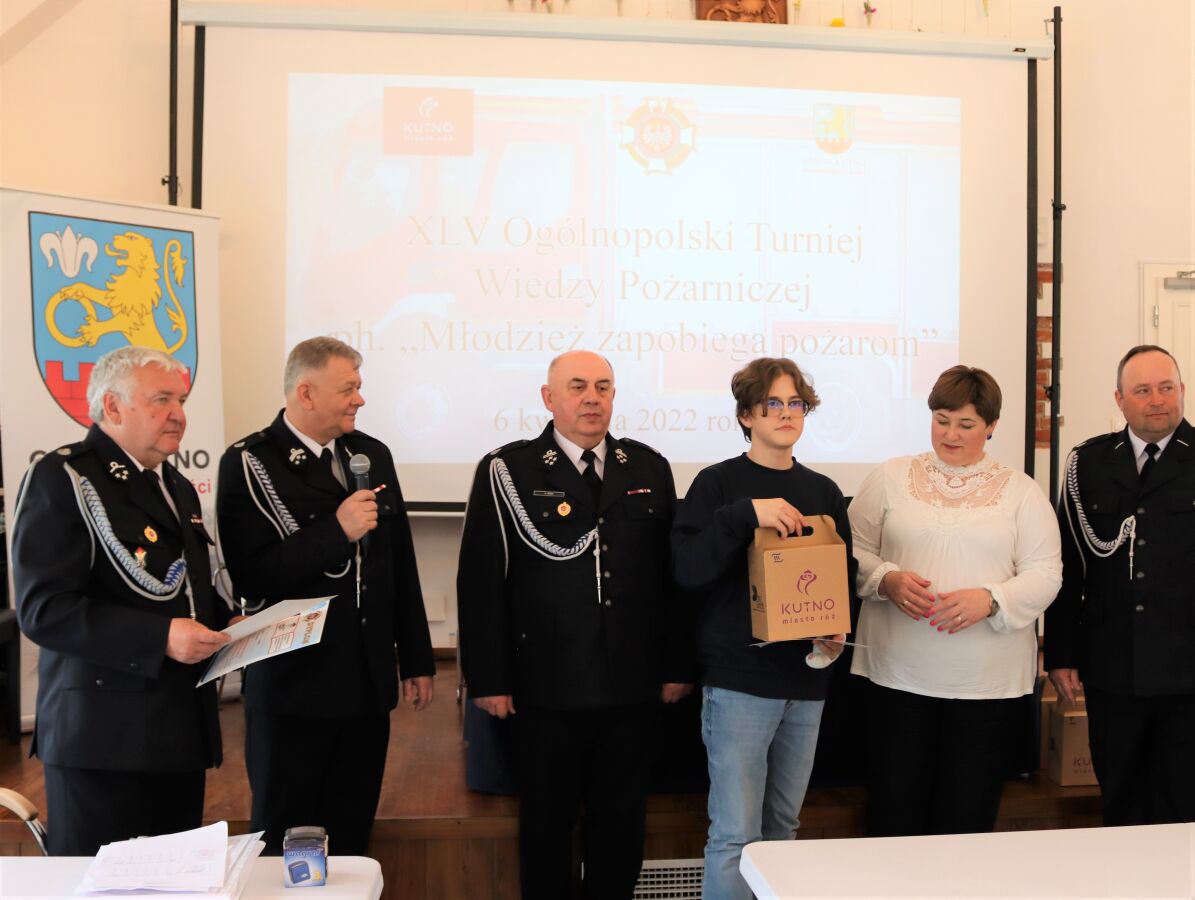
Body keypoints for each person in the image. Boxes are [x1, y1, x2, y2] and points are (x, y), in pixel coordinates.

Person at [457, 350, 693, 900]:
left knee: (621, 827)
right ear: (549, 398)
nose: (592, 398)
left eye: (603, 387)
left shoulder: (648, 467)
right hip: (545, 687)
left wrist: (677, 665)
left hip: (631, 686)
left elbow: (672, 580)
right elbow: (481, 581)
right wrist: (488, 678)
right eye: (578, 386)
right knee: (546, 826)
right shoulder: (509, 469)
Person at [216, 336, 434, 855]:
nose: (360, 399)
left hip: (365, 688)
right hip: (293, 689)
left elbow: (397, 562)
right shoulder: (250, 461)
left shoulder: (371, 454)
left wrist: (416, 659)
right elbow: (252, 577)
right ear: (306, 393)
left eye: (359, 387)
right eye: (348, 389)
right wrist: (336, 532)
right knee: (284, 841)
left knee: (352, 836)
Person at [12, 346, 231, 855]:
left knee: (177, 883)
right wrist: (160, 636)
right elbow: (44, 609)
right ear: (112, 407)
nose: (178, 414)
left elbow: (184, 591)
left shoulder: (176, 485)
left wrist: (233, 623)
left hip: (179, 732)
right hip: (102, 742)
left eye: (181, 401)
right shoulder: (64, 477)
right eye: (161, 400)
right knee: (105, 885)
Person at [849, 365, 1061, 836]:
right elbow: (850, 550)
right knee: (893, 812)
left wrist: (991, 599)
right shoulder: (890, 476)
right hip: (897, 676)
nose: (950, 434)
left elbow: (1046, 574)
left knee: (967, 818)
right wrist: (886, 579)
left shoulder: (1022, 492)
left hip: (983, 685)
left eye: (966, 424)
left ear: (991, 426)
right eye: (941, 420)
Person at [671, 356, 853, 900]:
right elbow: (687, 571)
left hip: (806, 684)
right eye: (772, 403)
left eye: (795, 403)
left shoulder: (824, 490)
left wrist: (836, 629)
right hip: (739, 685)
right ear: (747, 415)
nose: (786, 413)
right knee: (735, 836)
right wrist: (745, 515)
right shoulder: (718, 484)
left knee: (783, 832)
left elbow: (842, 577)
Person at [1046, 345, 1195, 825]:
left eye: (1166, 387)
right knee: (1120, 799)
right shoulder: (1086, 464)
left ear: (1182, 390)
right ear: (1120, 398)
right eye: (1143, 390)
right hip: (1112, 667)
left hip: (1187, 672)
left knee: (1183, 805)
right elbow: (1068, 567)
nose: (1157, 399)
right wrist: (1061, 654)